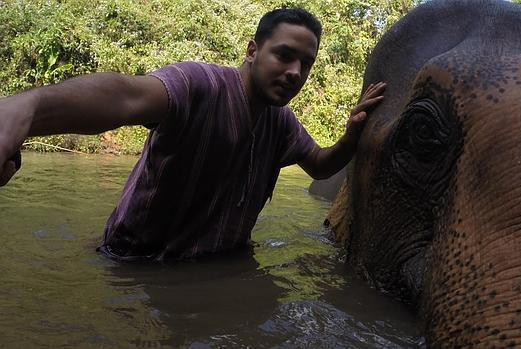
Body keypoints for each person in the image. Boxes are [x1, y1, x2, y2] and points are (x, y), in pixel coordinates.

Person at [0, 8, 386, 261]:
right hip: (134, 265)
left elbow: (319, 166)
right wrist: (28, 110)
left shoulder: (280, 121)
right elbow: (126, 96)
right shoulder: (199, 84)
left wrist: (351, 136)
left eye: (306, 64)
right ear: (252, 51)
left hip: (217, 266)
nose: (295, 72)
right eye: (284, 55)